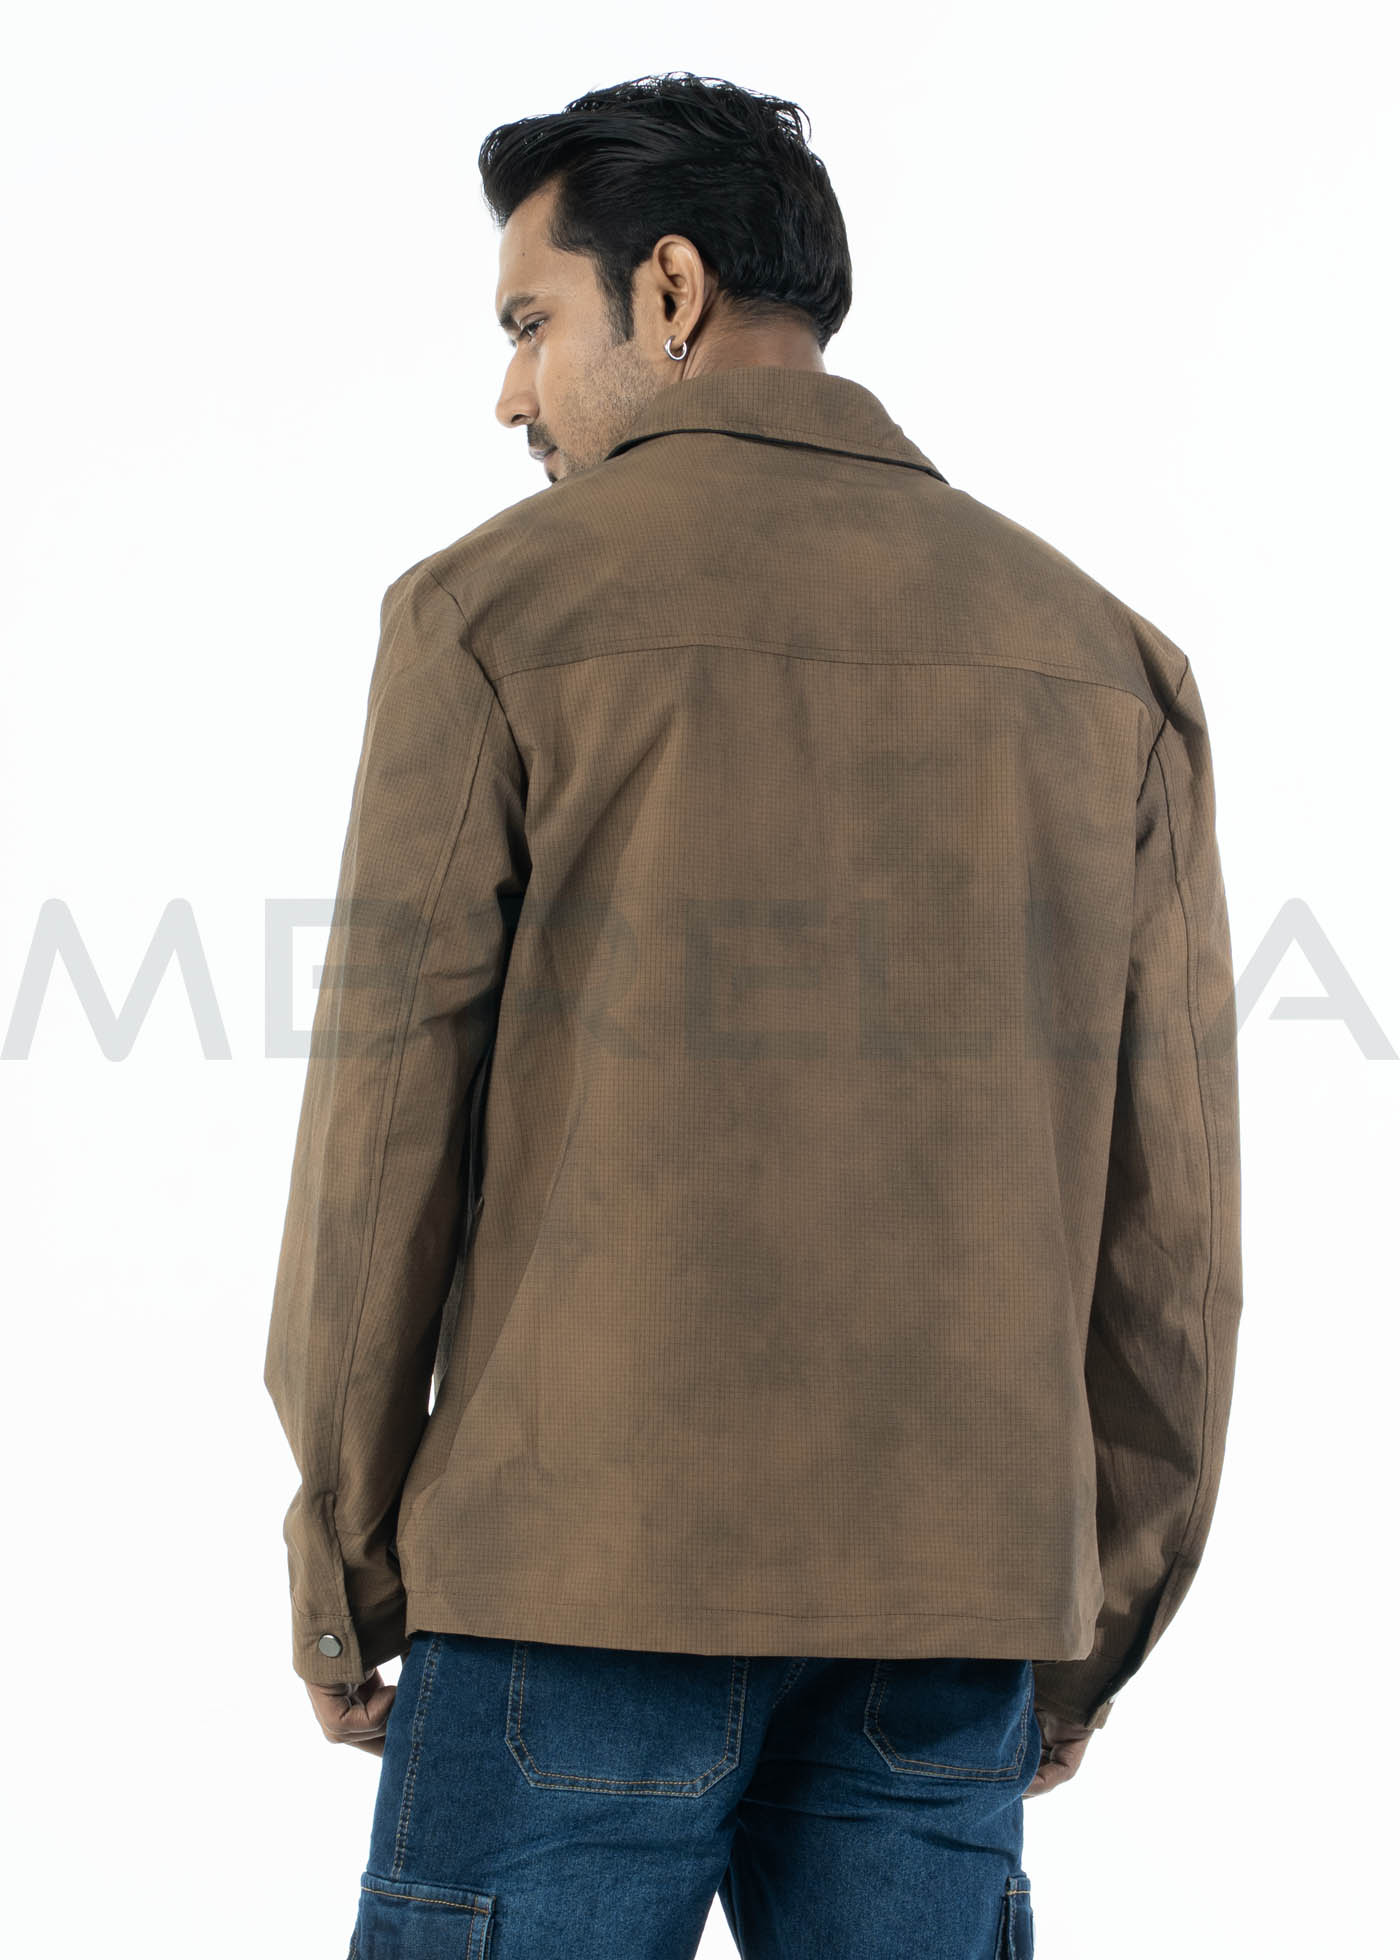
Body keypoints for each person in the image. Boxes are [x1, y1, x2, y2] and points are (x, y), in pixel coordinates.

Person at [263, 71, 1244, 1960]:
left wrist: (345, 1555)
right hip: (953, 1608)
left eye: (529, 321)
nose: (511, 395)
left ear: (673, 289)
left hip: (567, 1589)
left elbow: (382, 1144)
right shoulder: (1106, 660)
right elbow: (1174, 1228)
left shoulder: (490, 615)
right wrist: (1099, 1614)